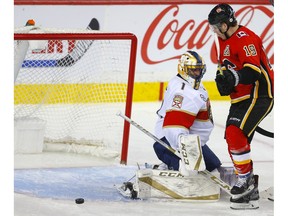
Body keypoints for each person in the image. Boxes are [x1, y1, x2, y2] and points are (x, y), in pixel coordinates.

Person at [208, 3, 274, 209]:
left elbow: (253, 71)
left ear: (226, 24)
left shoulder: (247, 39)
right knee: (233, 137)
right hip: (241, 99)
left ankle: (245, 181)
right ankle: (249, 185)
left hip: (259, 95)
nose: (215, 31)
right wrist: (223, 81)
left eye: (217, 26)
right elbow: (227, 69)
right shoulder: (223, 40)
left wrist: (234, 78)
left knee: (235, 133)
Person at [153, 50, 222, 174]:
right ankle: (172, 165)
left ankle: (170, 164)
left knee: (214, 165)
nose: (197, 73)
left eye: (199, 70)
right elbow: (173, 126)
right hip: (172, 141)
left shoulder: (184, 83)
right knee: (192, 171)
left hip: (191, 140)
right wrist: (185, 155)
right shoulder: (184, 92)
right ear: (183, 69)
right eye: (193, 70)